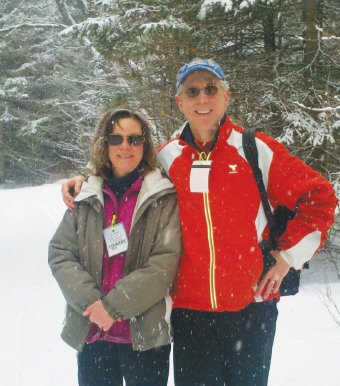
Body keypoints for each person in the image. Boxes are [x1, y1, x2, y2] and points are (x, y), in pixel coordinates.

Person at [62, 59, 338, 386]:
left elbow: (320, 198)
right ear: (180, 102)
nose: (202, 99)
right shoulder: (166, 159)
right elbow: (121, 176)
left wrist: (287, 258)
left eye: (211, 89)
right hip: (190, 315)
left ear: (226, 96)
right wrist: (85, 181)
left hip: (251, 309)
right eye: (192, 91)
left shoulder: (255, 149)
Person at [49, 108, 182, 386]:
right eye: (116, 138)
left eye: (134, 138)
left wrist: (112, 307)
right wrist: (92, 306)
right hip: (93, 332)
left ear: (145, 144)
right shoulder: (84, 194)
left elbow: (164, 264)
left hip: (144, 336)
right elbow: (61, 253)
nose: (125, 146)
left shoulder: (163, 196)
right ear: (104, 143)